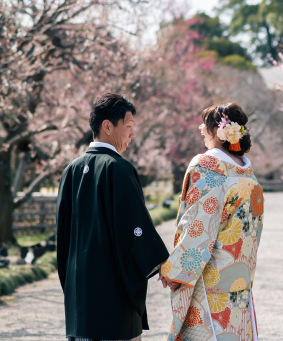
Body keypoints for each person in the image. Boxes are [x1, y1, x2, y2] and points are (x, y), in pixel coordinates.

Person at [56, 93, 170, 341]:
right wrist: (162, 263)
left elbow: (62, 239)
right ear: (107, 126)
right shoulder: (119, 169)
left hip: (78, 297)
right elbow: (135, 229)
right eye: (128, 127)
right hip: (111, 296)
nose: (132, 134)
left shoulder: (70, 171)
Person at [159, 102, 264, 341]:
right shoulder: (248, 175)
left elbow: (197, 225)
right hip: (240, 276)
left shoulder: (208, 167)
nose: (200, 129)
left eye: (204, 125)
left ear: (218, 132)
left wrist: (175, 270)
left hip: (210, 278)